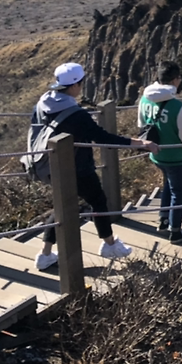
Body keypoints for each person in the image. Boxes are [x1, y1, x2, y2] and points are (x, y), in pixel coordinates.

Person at [32, 62, 158, 271]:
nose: (81, 87)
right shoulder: (76, 114)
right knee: (97, 200)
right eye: (81, 83)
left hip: (48, 164)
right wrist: (140, 143)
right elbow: (103, 138)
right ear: (74, 85)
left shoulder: (43, 103)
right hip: (77, 167)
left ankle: (45, 255)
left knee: (64, 205)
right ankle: (110, 245)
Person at [138, 61, 182, 244]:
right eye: (179, 78)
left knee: (168, 186)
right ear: (174, 80)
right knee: (178, 192)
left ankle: (164, 221)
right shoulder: (177, 106)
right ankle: (176, 232)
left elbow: (141, 125)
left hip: (156, 154)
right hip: (175, 156)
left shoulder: (144, 99)